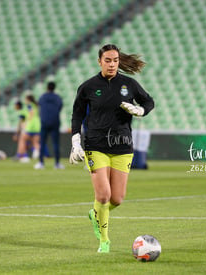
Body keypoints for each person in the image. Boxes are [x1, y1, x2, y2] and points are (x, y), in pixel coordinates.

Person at [70, 44, 155, 253]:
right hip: (95, 146)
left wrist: (139, 110)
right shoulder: (88, 87)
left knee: (117, 198)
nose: (112, 64)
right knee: (103, 196)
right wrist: (75, 142)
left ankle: (95, 214)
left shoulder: (129, 84)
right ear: (99, 61)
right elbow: (77, 115)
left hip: (122, 146)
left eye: (115, 60)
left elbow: (149, 101)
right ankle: (104, 241)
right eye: (107, 60)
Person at [34, 82, 64, 170]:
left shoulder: (43, 97)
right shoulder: (57, 97)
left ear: (47, 87)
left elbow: (39, 105)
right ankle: (57, 163)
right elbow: (60, 107)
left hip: (44, 122)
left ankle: (41, 163)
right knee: (56, 143)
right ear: (54, 88)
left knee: (42, 143)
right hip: (55, 122)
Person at [17, 95, 41, 163]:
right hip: (37, 125)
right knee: (35, 142)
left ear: (28, 100)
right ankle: (39, 154)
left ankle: (23, 156)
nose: (25, 101)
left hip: (31, 125)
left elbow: (31, 112)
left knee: (22, 139)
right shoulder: (35, 105)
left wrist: (27, 121)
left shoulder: (30, 105)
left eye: (25, 99)